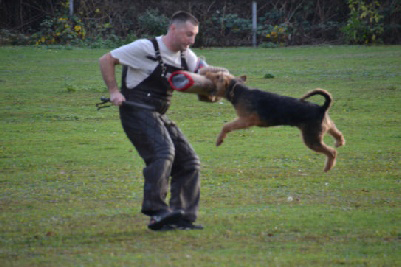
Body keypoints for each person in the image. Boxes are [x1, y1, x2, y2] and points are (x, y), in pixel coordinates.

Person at [99, 11, 206, 230]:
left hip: (157, 113)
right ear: (173, 29)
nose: (191, 41)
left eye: (194, 36)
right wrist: (113, 91)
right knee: (163, 153)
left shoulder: (186, 56)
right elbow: (106, 59)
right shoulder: (146, 47)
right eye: (188, 35)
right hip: (135, 110)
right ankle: (157, 213)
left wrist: (218, 84)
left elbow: (203, 73)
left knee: (189, 161)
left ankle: (181, 215)